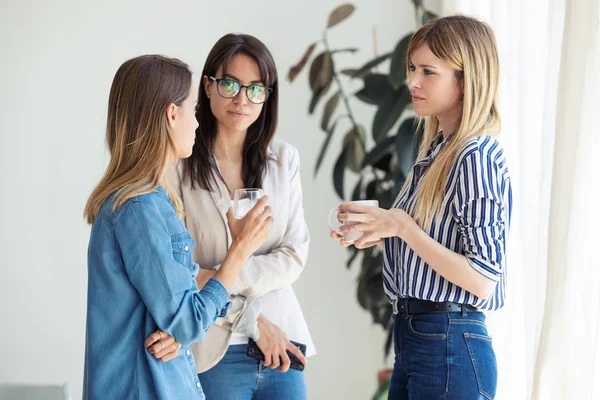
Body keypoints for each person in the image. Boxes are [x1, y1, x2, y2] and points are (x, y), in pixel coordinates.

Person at [331, 16, 512, 399]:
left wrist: (401, 227)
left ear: (465, 80)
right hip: (419, 339)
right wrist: (380, 233)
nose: (412, 82)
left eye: (428, 72)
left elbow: (482, 277)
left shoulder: (474, 157)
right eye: (412, 68)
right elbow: (432, 252)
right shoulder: (436, 153)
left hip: (448, 343)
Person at [83, 54, 272, 399]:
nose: (198, 124)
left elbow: (181, 310)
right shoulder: (138, 209)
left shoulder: (150, 202)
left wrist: (182, 328)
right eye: (193, 110)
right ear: (172, 114)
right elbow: (186, 319)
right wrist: (240, 248)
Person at [151, 33, 315, 400]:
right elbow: (180, 271)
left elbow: (293, 256)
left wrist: (222, 275)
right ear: (207, 86)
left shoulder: (284, 160)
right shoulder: (176, 166)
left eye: (256, 89)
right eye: (230, 84)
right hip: (213, 347)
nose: (243, 99)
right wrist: (252, 318)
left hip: (283, 345)